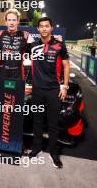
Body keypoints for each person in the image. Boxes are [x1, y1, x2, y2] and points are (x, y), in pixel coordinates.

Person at [29, 17, 70, 169]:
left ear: (51, 28)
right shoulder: (32, 45)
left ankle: (54, 152)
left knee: (53, 123)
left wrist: (64, 86)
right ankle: (36, 147)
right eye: (41, 26)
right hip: (37, 90)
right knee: (37, 121)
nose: (44, 29)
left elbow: (66, 66)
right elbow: (13, 46)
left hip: (54, 90)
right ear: (38, 29)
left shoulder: (59, 46)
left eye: (47, 26)